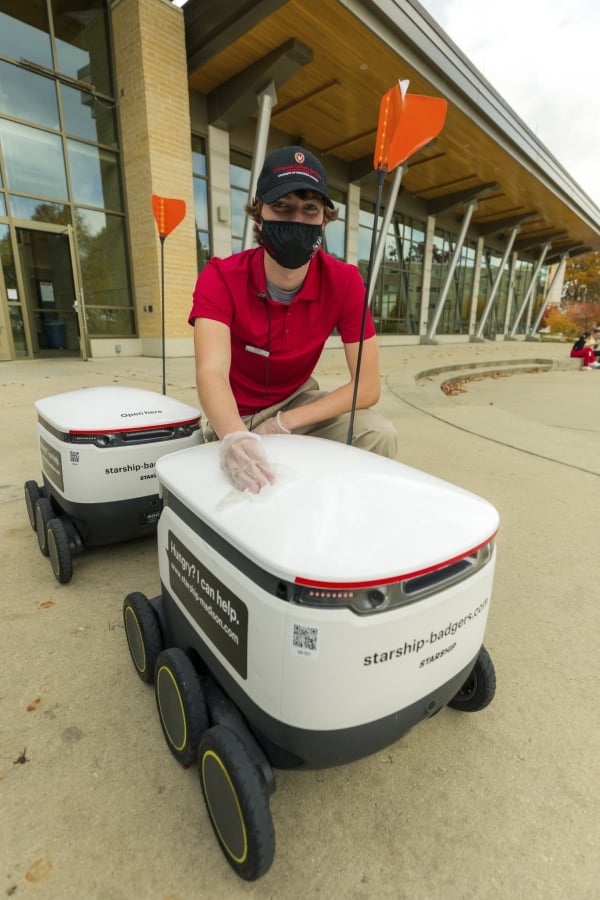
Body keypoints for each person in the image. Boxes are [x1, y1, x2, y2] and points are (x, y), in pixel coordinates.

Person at [189, 145, 397, 493]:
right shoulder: (220, 276)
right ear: (259, 215)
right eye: (282, 207)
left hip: (296, 400)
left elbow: (367, 385)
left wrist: (283, 423)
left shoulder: (344, 281)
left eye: (309, 209)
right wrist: (235, 435)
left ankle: (347, 516)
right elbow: (210, 371)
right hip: (235, 409)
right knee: (235, 486)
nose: (296, 219)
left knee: (378, 433)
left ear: (323, 219)